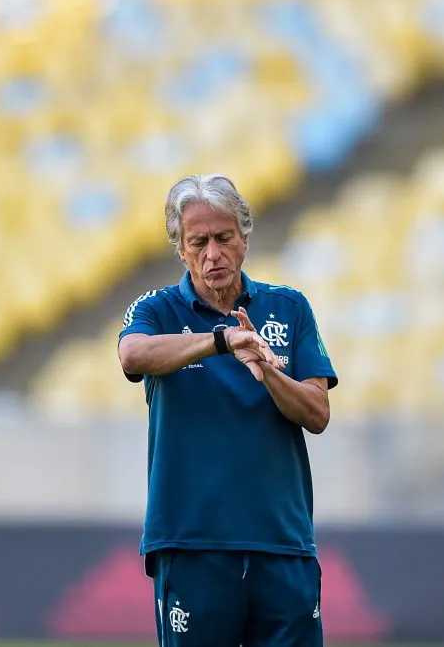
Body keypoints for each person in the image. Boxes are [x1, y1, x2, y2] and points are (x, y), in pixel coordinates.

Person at [117, 174, 338, 647]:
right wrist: (221, 341)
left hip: (282, 543)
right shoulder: (156, 310)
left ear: (245, 238)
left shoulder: (289, 307)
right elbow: (132, 356)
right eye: (199, 242)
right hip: (193, 544)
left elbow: (317, 413)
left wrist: (267, 370)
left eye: (223, 238)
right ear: (180, 248)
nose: (212, 254)